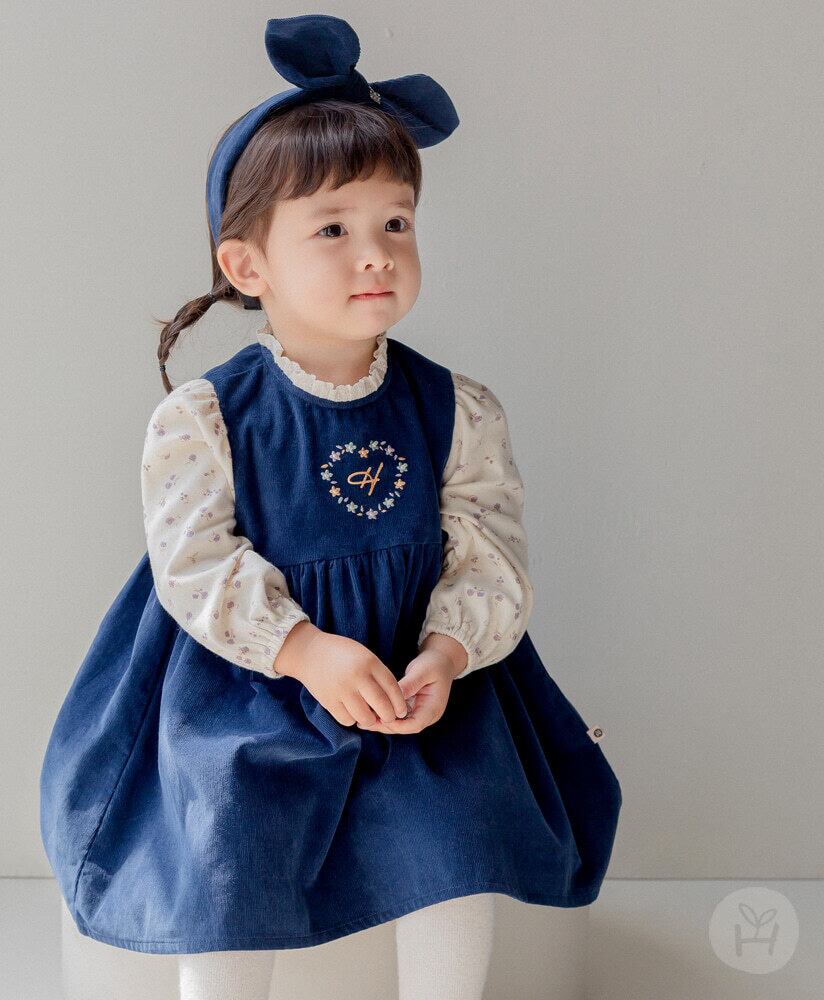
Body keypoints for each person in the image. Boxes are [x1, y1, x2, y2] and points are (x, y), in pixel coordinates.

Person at [39, 14, 622, 1000]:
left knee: (458, 832)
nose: (376, 254)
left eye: (396, 223)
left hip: (415, 678)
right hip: (250, 683)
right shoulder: (206, 419)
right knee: (225, 832)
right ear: (247, 266)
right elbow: (195, 565)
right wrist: (304, 649)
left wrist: (445, 653)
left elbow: (487, 549)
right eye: (333, 229)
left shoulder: (455, 408)